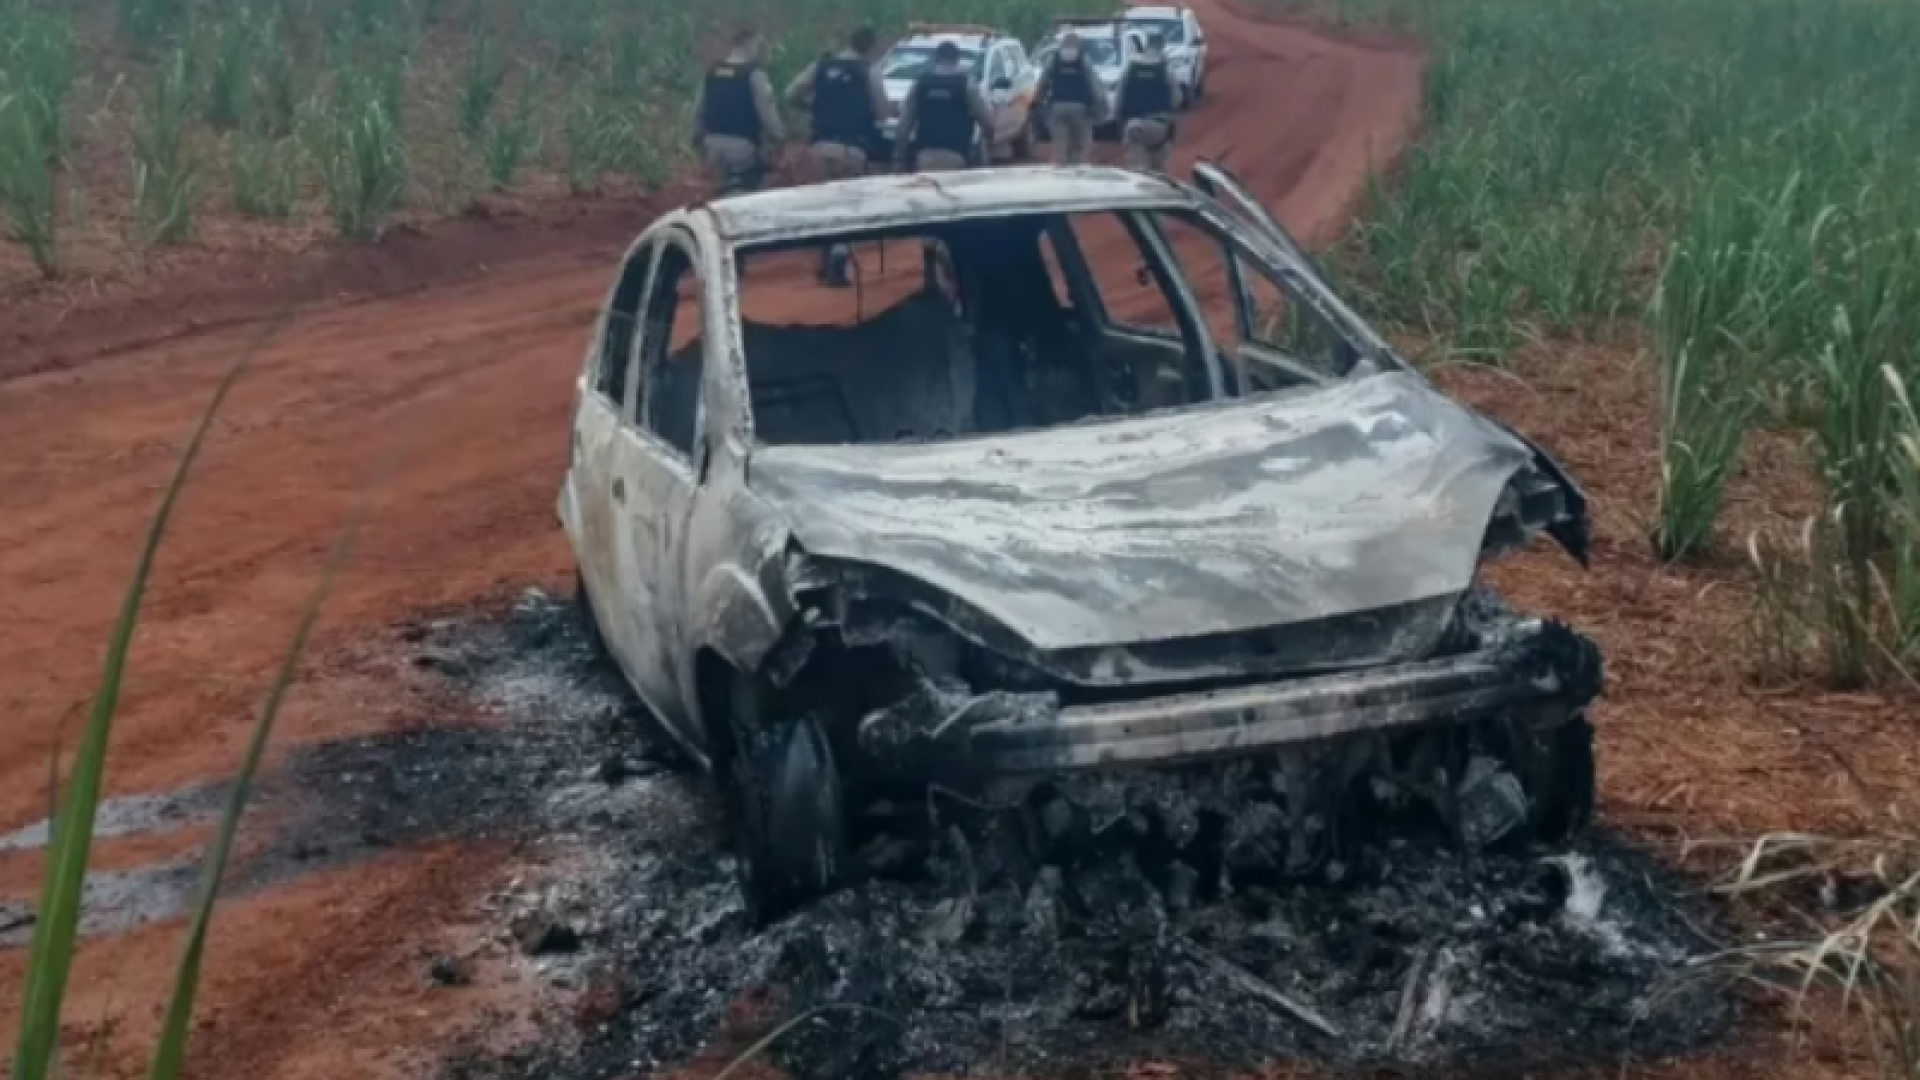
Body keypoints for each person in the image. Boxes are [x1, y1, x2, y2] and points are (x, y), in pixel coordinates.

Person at [785, 27, 891, 286]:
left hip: (820, 146)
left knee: (823, 204)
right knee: (847, 207)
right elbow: (883, 112)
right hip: (851, 149)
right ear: (870, 47)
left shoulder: (821, 66)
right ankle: (839, 256)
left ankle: (825, 253)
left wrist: (811, 107)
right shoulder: (868, 71)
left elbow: (790, 93)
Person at [690, 28, 785, 195]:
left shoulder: (712, 73)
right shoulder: (754, 74)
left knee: (717, 192)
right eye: (758, 45)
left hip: (712, 147)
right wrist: (778, 142)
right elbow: (768, 116)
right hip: (743, 150)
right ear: (749, 44)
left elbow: (697, 112)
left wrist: (697, 142)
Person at [892, 40, 994, 173]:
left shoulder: (920, 84)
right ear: (957, 60)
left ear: (936, 58)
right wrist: (988, 144)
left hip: (925, 155)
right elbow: (988, 122)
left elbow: (903, 125)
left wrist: (899, 159)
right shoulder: (967, 85)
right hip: (957, 154)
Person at [1035, 32, 1108, 166]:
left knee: (1060, 149)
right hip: (1081, 109)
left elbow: (1042, 84)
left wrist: (1038, 103)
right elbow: (1095, 86)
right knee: (1080, 147)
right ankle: (1077, 170)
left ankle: (1062, 170)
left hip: (1058, 108)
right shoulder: (1084, 60)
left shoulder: (1054, 60)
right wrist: (1101, 107)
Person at [1115, 32, 1178, 173]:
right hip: (1160, 126)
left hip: (1135, 125)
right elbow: (1177, 99)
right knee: (1159, 172)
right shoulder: (1165, 68)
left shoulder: (1131, 68)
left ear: (1146, 46)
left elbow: (1119, 99)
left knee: (1137, 171)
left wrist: (1120, 123)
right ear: (1161, 47)